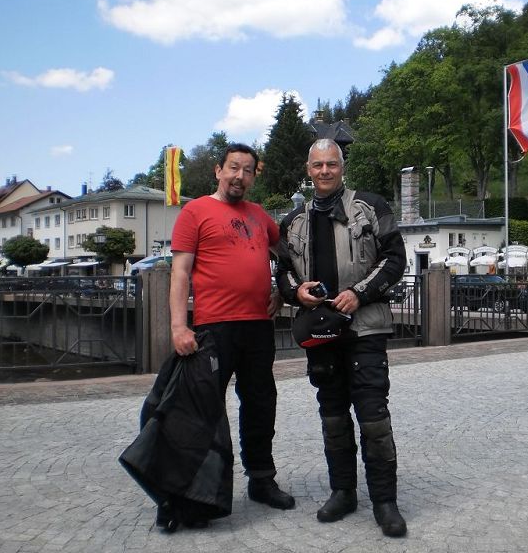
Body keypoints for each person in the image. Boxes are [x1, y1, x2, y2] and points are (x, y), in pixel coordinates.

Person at [275, 138, 408, 537]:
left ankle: (385, 501)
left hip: (365, 328)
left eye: (332, 164)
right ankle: (343, 492)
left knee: (373, 418)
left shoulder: (370, 206)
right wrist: (294, 291)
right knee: (332, 416)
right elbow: (282, 271)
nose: (325, 171)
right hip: (320, 331)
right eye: (318, 165)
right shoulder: (293, 221)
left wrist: (360, 293)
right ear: (308, 168)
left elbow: (395, 258)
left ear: (343, 166)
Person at [168, 142, 295, 529]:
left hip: (257, 325)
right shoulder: (195, 211)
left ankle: (261, 480)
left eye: (248, 170)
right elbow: (180, 273)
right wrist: (178, 325)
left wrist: (281, 289)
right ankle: (196, 494)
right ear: (218, 170)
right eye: (233, 168)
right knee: (203, 410)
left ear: (255, 176)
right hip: (212, 327)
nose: (240, 176)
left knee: (260, 404)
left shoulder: (259, 215)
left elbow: (285, 254)